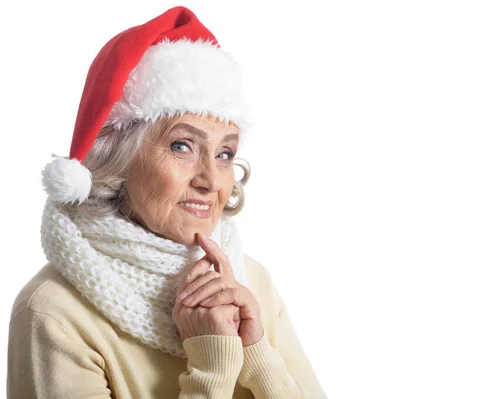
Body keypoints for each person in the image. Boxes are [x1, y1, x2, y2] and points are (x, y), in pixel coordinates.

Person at [7, 6, 327, 399]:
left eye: (225, 154)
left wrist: (258, 356)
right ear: (118, 159)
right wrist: (212, 369)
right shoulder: (54, 313)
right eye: (182, 145)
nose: (211, 180)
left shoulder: (251, 281)